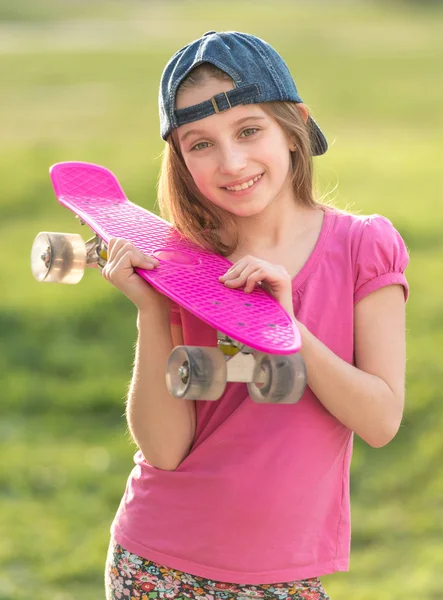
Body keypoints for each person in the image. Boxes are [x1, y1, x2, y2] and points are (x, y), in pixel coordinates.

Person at [103, 31, 409, 600]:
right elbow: (165, 450)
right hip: (156, 564)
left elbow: (381, 420)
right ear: (181, 160)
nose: (231, 162)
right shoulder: (185, 263)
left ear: (294, 127)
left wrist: (287, 330)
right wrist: (152, 309)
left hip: (283, 575)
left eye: (248, 131)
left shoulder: (364, 247)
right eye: (200, 144)